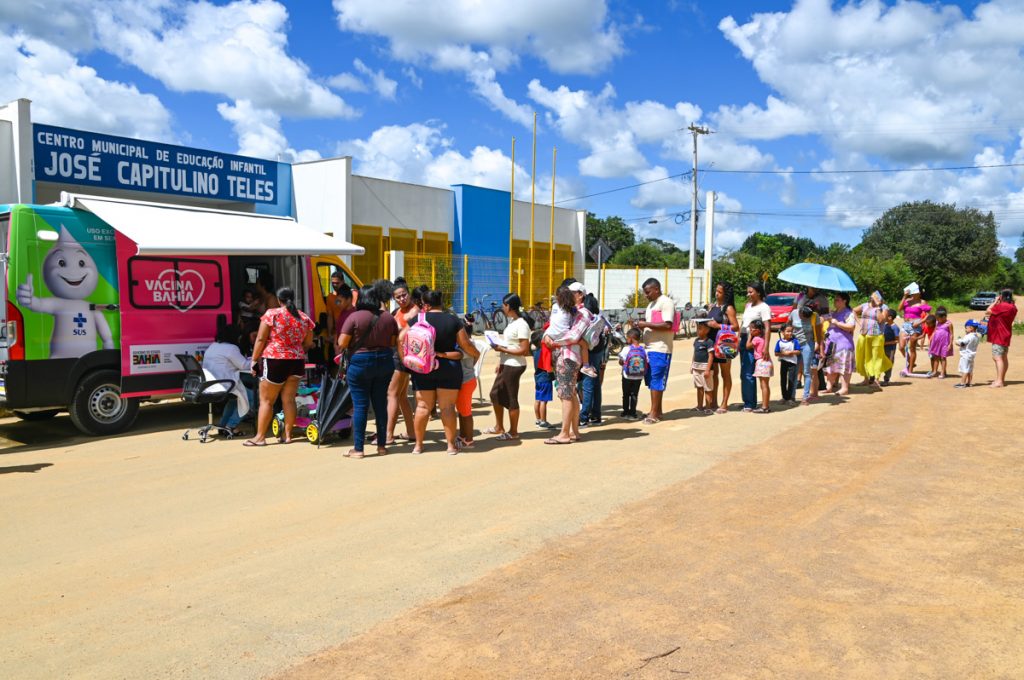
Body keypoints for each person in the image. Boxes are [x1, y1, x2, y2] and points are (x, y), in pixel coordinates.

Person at [400, 289, 479, 454]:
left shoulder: (417, 319)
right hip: (448, 367)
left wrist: (406, 362)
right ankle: (450, 446)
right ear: (440, 303)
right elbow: (465, 344)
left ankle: (418, 446)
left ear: (425, 304)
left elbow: (401, 339)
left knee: (422, 407)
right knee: (448, 407)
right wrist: (475, 355)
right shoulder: (453, 320)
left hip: (423, 368)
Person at [246, 287, 314, 446]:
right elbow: (309, 342)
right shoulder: (304, 317)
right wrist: (295, 351)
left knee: (266, 401)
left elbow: (261, 339)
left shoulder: (272, 314)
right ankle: (288, 435)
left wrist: (254, 360)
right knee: (289, 400)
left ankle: (260, 437)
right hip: (297, 361)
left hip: (275, 360)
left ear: (279, 300)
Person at [338, 284, 399, 458]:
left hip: (359, 363)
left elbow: (342, 343)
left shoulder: (354, 317)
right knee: (380, 405)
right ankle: (381, 446)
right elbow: (393, 341)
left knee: (360, 406)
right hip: (385, 362)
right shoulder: (388, 318)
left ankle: (358, 449)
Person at [542, 285, 591, 444]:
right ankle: (574, 432)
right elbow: (552, 326)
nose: (568, 295)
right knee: (571, 394)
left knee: (566, 395)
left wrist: (554, 341)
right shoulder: (566, 310)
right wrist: (547, 336)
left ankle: (564, 434)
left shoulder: (581, 313)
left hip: (568, 356)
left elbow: (574, 337)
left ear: (580, 295)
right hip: (564, 354)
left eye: (572, 292)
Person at [486, 293, 533, 441]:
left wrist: (502, 350)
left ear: (509, 306)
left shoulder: (521, 324)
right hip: (507, 363)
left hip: (515, 365)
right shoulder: (512, 322)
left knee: (511, 397)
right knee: (495, 394)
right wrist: (500, 361)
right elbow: (511, 344)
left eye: (504, 305)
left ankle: (513, 431)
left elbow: (524, 350)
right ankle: (499, 426)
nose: (502, 307)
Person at [382, 281, 419, 445]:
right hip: (397, 354)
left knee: (392, 393)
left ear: (409, 293)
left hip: (404, 356)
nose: (402, 299)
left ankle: (388, 435)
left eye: (404, 295)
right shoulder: (397, 311)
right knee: (402, 396)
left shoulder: (415, 311)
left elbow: (400, 331)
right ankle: (411, 432)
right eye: (398, 297)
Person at [634, 278, 675, 424]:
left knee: (657, 380)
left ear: (656, 289)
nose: (646, 295)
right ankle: (658, 411)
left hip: (661, 348)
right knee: (652, 380)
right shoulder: (651, 305)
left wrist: (645, 324)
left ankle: (653, 413)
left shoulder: (666, 302)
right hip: (650, 349)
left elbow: (667, 324)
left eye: (648, 292)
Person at [203, 325, 253, 436]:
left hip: (210, 385)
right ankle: (231, 426)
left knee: (234, 400)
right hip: (225, 384)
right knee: (250, 398)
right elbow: (244, 365)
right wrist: (255, 359)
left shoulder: (213, 346)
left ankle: (222, 425)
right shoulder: (231, 348)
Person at [739, 282, 772, 412]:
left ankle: (750, 403)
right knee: (744, 372)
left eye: (751, 292)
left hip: (754, 343)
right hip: (744, 339)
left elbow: (768, 328)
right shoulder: (748, 306)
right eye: (748, 292)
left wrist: (766, 347)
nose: (749, 294)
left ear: (758, 292)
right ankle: (747, 400)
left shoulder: (764, 307)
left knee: (748, 372)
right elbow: (744, 323)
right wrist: (737, 339)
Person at [706, 282, 739, 414]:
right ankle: (713, 401)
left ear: (725, 294)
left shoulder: (728, 308)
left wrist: (718, 326)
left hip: (725, 344)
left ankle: (724, 403)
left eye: (719, 292)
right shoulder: (713, 306)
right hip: (712, 344)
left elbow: (736, 327)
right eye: (716, 291)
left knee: (725, 374)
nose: (716, 293)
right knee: (714, 374)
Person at [578, 289, 606, 426]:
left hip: (589, 352)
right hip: (599, 350)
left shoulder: (586, 317)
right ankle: (596, 415)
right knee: (595, 385)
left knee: (587, 384)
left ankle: (583, 417)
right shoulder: (599, 316)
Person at [794, 285, 830, 391]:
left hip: (815, 328)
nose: (814, 288)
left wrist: (820, 321)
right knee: (799, 355)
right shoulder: (800, 296)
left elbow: (826, 314)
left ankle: (815, 385)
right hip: (800, 328)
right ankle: (798, 379)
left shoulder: (822, 299)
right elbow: (794, 310)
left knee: (813, 357)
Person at [853, 291, 890, 386]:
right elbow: (853, 311)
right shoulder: (865, 305)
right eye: (872, 296)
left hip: (876, 336)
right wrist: (859, 322)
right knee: (863, 357)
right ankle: (866, 379)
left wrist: (877, 307)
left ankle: (876, 380)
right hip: (864, 335)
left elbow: (881, 320)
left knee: (876, 358)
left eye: (875, 296)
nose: (872, 298)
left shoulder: (884, 308)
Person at [984, 288, 1018, 388]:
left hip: (999, 335)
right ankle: (1001, 379)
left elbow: (987, 311)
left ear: (1001, 296)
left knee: (997, 358)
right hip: (1005, 334)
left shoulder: (1002, 306)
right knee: (1003, 357)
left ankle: (999, 381)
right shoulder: (1013, 307)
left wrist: (995, 302)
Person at [824, 292, 855, 395]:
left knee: (844, 367)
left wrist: (837, 323)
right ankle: (829, 386)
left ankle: (844, 388)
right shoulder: (834, 312)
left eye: (837, 299)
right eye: (835, 299)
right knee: (831, 366)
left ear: (844, 301)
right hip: (832, 345)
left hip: (844, 345)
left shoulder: (848, 313)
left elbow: (851, 327)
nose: (835, 301)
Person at [790, 303, 821, 405]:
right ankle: (791, 396)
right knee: (794, 370)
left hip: (807, 344)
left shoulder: (814, 316)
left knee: (807, 371)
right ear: (800, 312)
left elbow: (818, 332)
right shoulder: (794, 313)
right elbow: (787, 326)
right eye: (802, 316)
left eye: (806, 318)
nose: (803, 319)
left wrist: (819, 345)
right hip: (795, 344)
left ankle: (805, 397)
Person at [898, 283, 931, 375]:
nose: (913, 294)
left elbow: (927, 316)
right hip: (906, 324)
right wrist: (904, 297)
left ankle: (910, 369)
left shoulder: (922, 302)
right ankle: (910, 361)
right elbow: (899, 309)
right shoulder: (907, 300)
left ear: (919, 293)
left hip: (916, 324)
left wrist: (919, 323)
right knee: (901, 347)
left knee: (912, 348)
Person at [456, 317, 478, 448]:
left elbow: (457, 355)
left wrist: (441, 354)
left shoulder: (466, 346)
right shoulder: (466, 344)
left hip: (466, 382)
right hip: (465, 381)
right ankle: (463, 435)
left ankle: (469, 439)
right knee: (461, 410)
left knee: (466, 412)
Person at [618, 327, 645, 420]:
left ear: (631, 338)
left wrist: (622, 362)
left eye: (627, 337)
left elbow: (621, 361)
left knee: (626, 394)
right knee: (634, 394)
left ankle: (625, 412)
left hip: (627, 375)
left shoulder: (626, 349)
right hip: (639, 376)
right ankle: (633, 413)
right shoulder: (643, 349)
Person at [532, 327, 555, 429]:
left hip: (538, 377)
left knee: (537, 399)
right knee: (543, 401)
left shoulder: (535, 351)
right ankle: (543, 421)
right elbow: (549, 366)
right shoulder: (545, 351)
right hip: (545, 378)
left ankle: (538, 419)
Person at [748, 319, 773, 413]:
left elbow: (747, 346)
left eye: (751, 329)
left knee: (763, 385)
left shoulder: (756, 339)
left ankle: (764, 407)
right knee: (766, 385)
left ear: (757, 330)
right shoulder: (763, 339)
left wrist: (750, 336)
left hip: (761, 363)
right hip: (767, 363)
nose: (750, 331)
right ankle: (766, 405)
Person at [691, 319, 714, 413]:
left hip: (705, 368)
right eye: (697, 328)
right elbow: (694, 353)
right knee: (699, 387)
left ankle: (708, 407)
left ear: (707, 330)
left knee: (707, 388)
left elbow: (711, 356)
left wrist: (708, 369)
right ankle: (699, 406)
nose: (698, 330)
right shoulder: (696, 341)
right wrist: (692, 365)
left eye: (700, 328)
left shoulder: (709, 342)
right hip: (696, 368)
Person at [774, 323, 801, 404]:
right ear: (782, 332)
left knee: (791, 380)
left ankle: (790, 398)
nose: (790, 333)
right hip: (783, 362)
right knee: (783, 380)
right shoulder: (779, 342)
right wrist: (784, 354)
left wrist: (791, 352)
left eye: (791, 331)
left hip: (792, 363)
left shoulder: (795, 341)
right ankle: (784, 397)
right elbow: (776, 353)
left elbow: (798, 351)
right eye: (787, 331)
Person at [955, 320, 983, 388]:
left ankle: (962, 383)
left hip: (966, 355)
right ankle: (969, 382)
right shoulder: (976, 336)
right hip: (971, 355)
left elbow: (962, 343)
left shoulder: (969, 336)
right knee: (970, 369)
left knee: (964, 369)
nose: (965, 329)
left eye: (966, 328)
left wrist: (957, 341)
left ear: (971, 328)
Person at [928, 307, 954, 379]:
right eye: (937, 318)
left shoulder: (949, 324)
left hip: (945, 343)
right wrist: (931, 338)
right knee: (936, 357)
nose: (938, 320)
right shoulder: (937, 323)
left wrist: (950, 344)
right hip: (936, 342)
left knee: (943, 358)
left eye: (939, 318)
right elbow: (935, 331)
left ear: (944, 317)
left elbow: (951, 334)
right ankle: (935, 371)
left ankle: (943, 372)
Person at [881, 308, 899, 385]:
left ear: (890, 317)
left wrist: (886, 343)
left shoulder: (895, 327)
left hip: (890, 349)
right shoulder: (885, 325)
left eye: (885, 316)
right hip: (883, 347)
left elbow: (897, 340)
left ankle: (886, 379)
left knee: (889, 363)